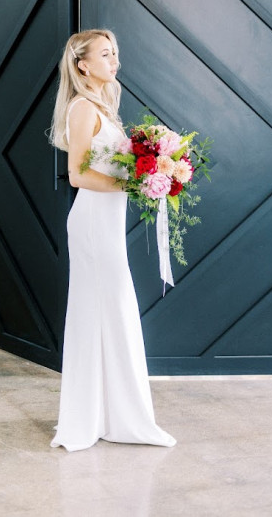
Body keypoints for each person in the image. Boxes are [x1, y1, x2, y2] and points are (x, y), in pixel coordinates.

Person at [49, 28, 176, 452]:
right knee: (105, 310)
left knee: (109, 312)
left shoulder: (107, 104)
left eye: (115, 52)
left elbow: (115, 165)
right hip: (91, 224)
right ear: (83, 64)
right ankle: (99, 419)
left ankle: (110, 415)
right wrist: (138, 184)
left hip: (106, 223)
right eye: (105, 54)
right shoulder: (83, 108)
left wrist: (153, 169)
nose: (115, 60)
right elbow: (78, 175)